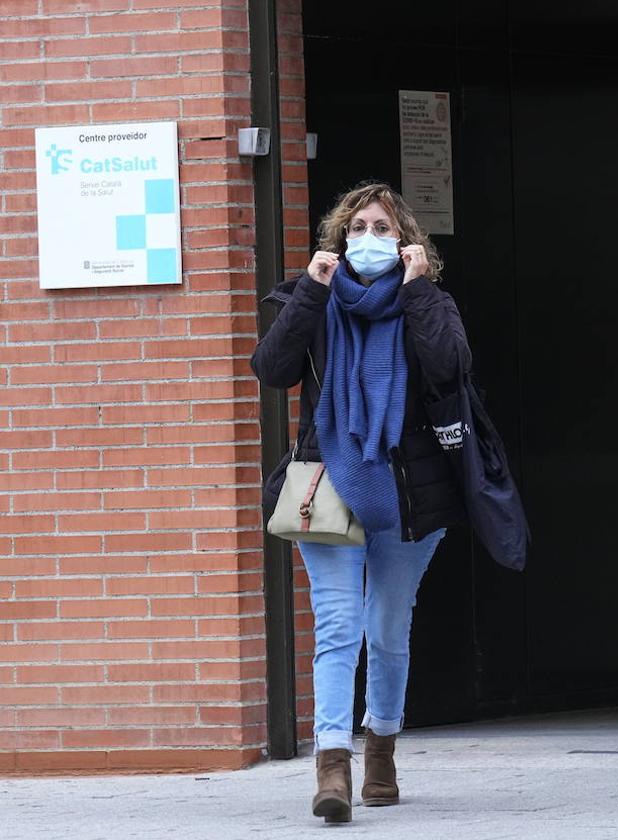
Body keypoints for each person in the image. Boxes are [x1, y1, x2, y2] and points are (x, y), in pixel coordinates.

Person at [251, 182, 470, 822]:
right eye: (356, 227)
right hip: (328, 486)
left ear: (405, 241)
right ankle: (332, 767)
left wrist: (418, 289)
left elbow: (449, 366)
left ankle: (382, 750)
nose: (367, 238)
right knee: (340, 627)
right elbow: (271, 368)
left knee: (387, 629)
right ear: (337, 238)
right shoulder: (312, 297)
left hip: (409, 494)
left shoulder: (428, 302)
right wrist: (313, 292)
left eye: (381, 227)